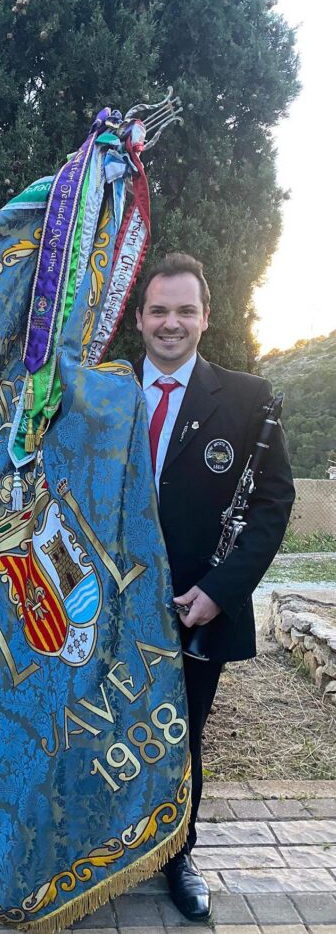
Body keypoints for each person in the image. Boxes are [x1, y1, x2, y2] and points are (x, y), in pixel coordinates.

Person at [133, 252, 294, 921]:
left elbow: (273, 505)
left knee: (180, 735)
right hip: (107, 607)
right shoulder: (101, 391)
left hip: (194, 608)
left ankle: (177, 853)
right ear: (140, 319)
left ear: (206, 317)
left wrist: (220, 591)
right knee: (97, 731)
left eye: (185, 311)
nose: (172, 323)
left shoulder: (250, 400)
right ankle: (105, 852)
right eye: (159, 311)